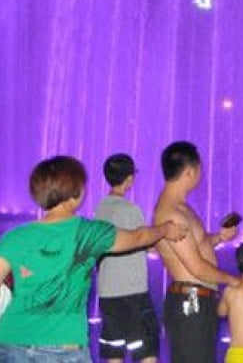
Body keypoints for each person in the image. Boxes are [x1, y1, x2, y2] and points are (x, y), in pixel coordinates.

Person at [0, 156, 186, 362]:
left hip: (8, 344)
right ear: (76, 192)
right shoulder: (88, 233)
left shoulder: (14, 237)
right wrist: (166, 229)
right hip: (62, 348)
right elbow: (138, 236)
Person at [154, 142, 241, 363]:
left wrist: (220, 237)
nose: (201, 175)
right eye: (200, 169)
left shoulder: (180, 208)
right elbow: (196, 267)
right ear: (190, 171)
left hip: (196, 302)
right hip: (190, 302)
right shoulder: (172, 214)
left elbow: (199, 245)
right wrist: (232, 280)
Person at [95, 154, 159, 363]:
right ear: (130, 179)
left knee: (114, 349)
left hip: (107, 292)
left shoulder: (100, 209)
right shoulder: (131, 210)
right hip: (133, 291)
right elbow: (142, 240)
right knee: (146, 350)